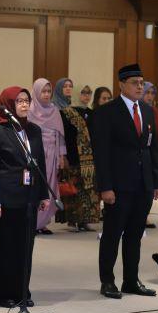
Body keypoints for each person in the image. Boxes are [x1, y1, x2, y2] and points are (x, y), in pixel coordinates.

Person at [93, 63, 158, 299]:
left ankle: (131, 280)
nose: (140, 87)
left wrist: (156, 181)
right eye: (135, 83)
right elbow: (101, 153)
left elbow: (152, 148)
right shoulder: (106, 112)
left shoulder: (147, 111)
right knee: (112, 235)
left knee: (135, 235)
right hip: (118, 185)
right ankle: (107, 281)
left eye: (142, 83)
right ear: (121, 85)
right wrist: (105, 187)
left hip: (143, 184)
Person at [0, 86, 49, 307]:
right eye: (19, 101)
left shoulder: (34, 130)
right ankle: (4, 294)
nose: (24, 104)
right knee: (6, 248)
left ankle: (22, 290)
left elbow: (40, 163)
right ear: (7, 105)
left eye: (26, 100)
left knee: (25, 247)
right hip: (6, 198)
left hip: (29, 197)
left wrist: (43, 194)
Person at [28, 78, 66, 235]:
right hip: (36, 154)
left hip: (52, 155)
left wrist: (61, 156)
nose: (46, 94)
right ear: (36, 92)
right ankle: (33, 221)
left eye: (49, 91)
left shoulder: (54, 110)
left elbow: (59, 136)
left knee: (50, 187)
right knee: (36, 186)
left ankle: (43, 223)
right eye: (43, 91)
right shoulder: (30, 110)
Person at [60, 83, 100, 232]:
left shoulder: (92, 113)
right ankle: (73, 220)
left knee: (88, 190)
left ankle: (85, 220)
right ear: (77, 94)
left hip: (89, 158)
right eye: (83, 93)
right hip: (73, 156)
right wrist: (63, 156)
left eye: (89, 93)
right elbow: (63, 136)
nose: (86, 96)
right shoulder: (66, 113)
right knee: (74, 189)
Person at [141, 81, 158, 229]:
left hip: (153, 152)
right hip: (140, 153)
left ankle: (145, 215)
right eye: (147, 93)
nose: (150, 96)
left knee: (151, 184)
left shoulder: (154, 111)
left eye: (152, 93)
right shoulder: (137, 109)